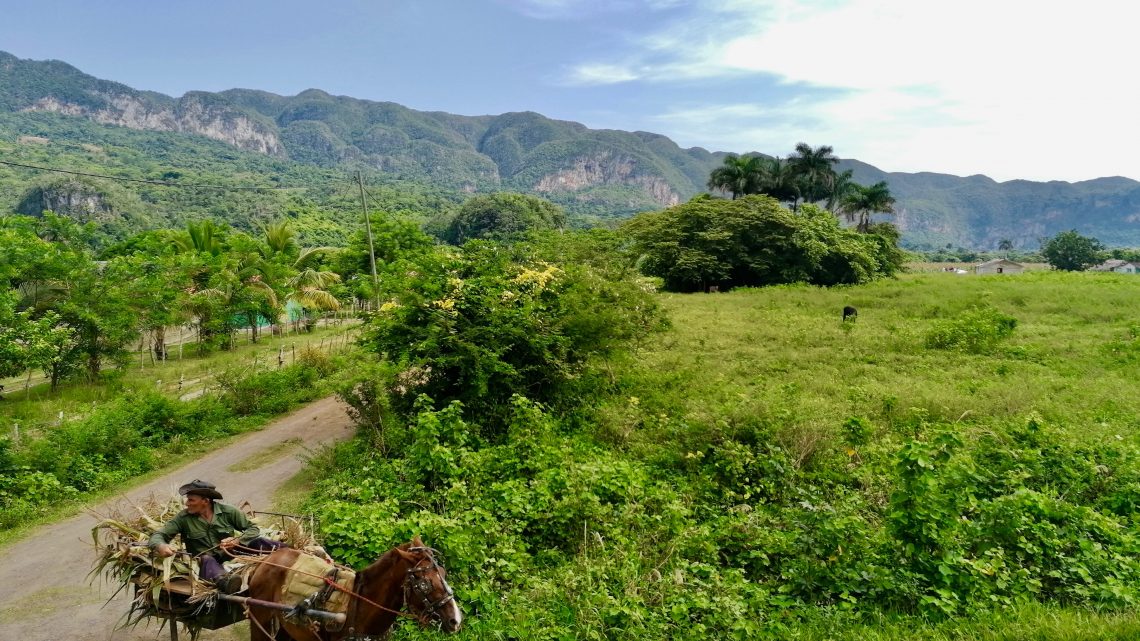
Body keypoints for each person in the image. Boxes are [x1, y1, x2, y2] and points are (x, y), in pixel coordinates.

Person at [148, 479, 283, 581]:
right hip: (208, 564)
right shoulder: (183, 518)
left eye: (191, 500)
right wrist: (161, 545)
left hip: (233, 554)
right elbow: (158, 535)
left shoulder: (228, 512)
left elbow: (253, 529)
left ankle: (292, 553)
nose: (187, 503)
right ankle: (225, 581)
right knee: (207, 558)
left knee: (258, 541)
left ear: (205, 501)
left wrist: (237, 540)